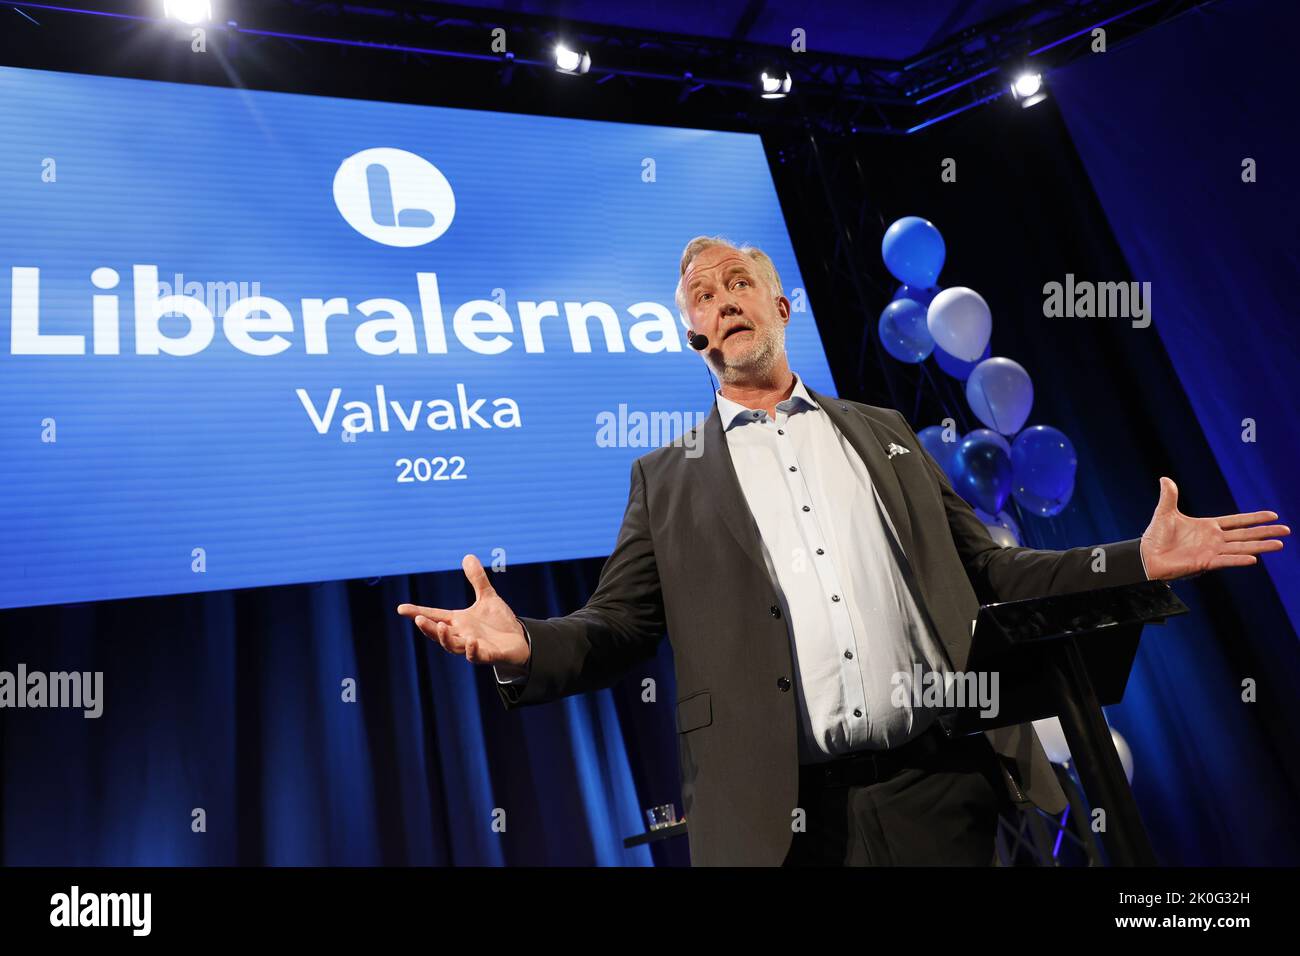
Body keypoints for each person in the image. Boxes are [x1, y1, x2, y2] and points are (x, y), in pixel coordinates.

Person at [396, 236, 1288, 866]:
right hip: (786, 824)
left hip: (943, 787)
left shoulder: (884, 431)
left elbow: (993, 571)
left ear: (779, 306)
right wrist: (526, 646)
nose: (722, 300)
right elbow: (619, 625)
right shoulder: (664, 479)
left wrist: (1131, 557)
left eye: (738, 282)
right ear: (692, 338)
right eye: (702, 297)